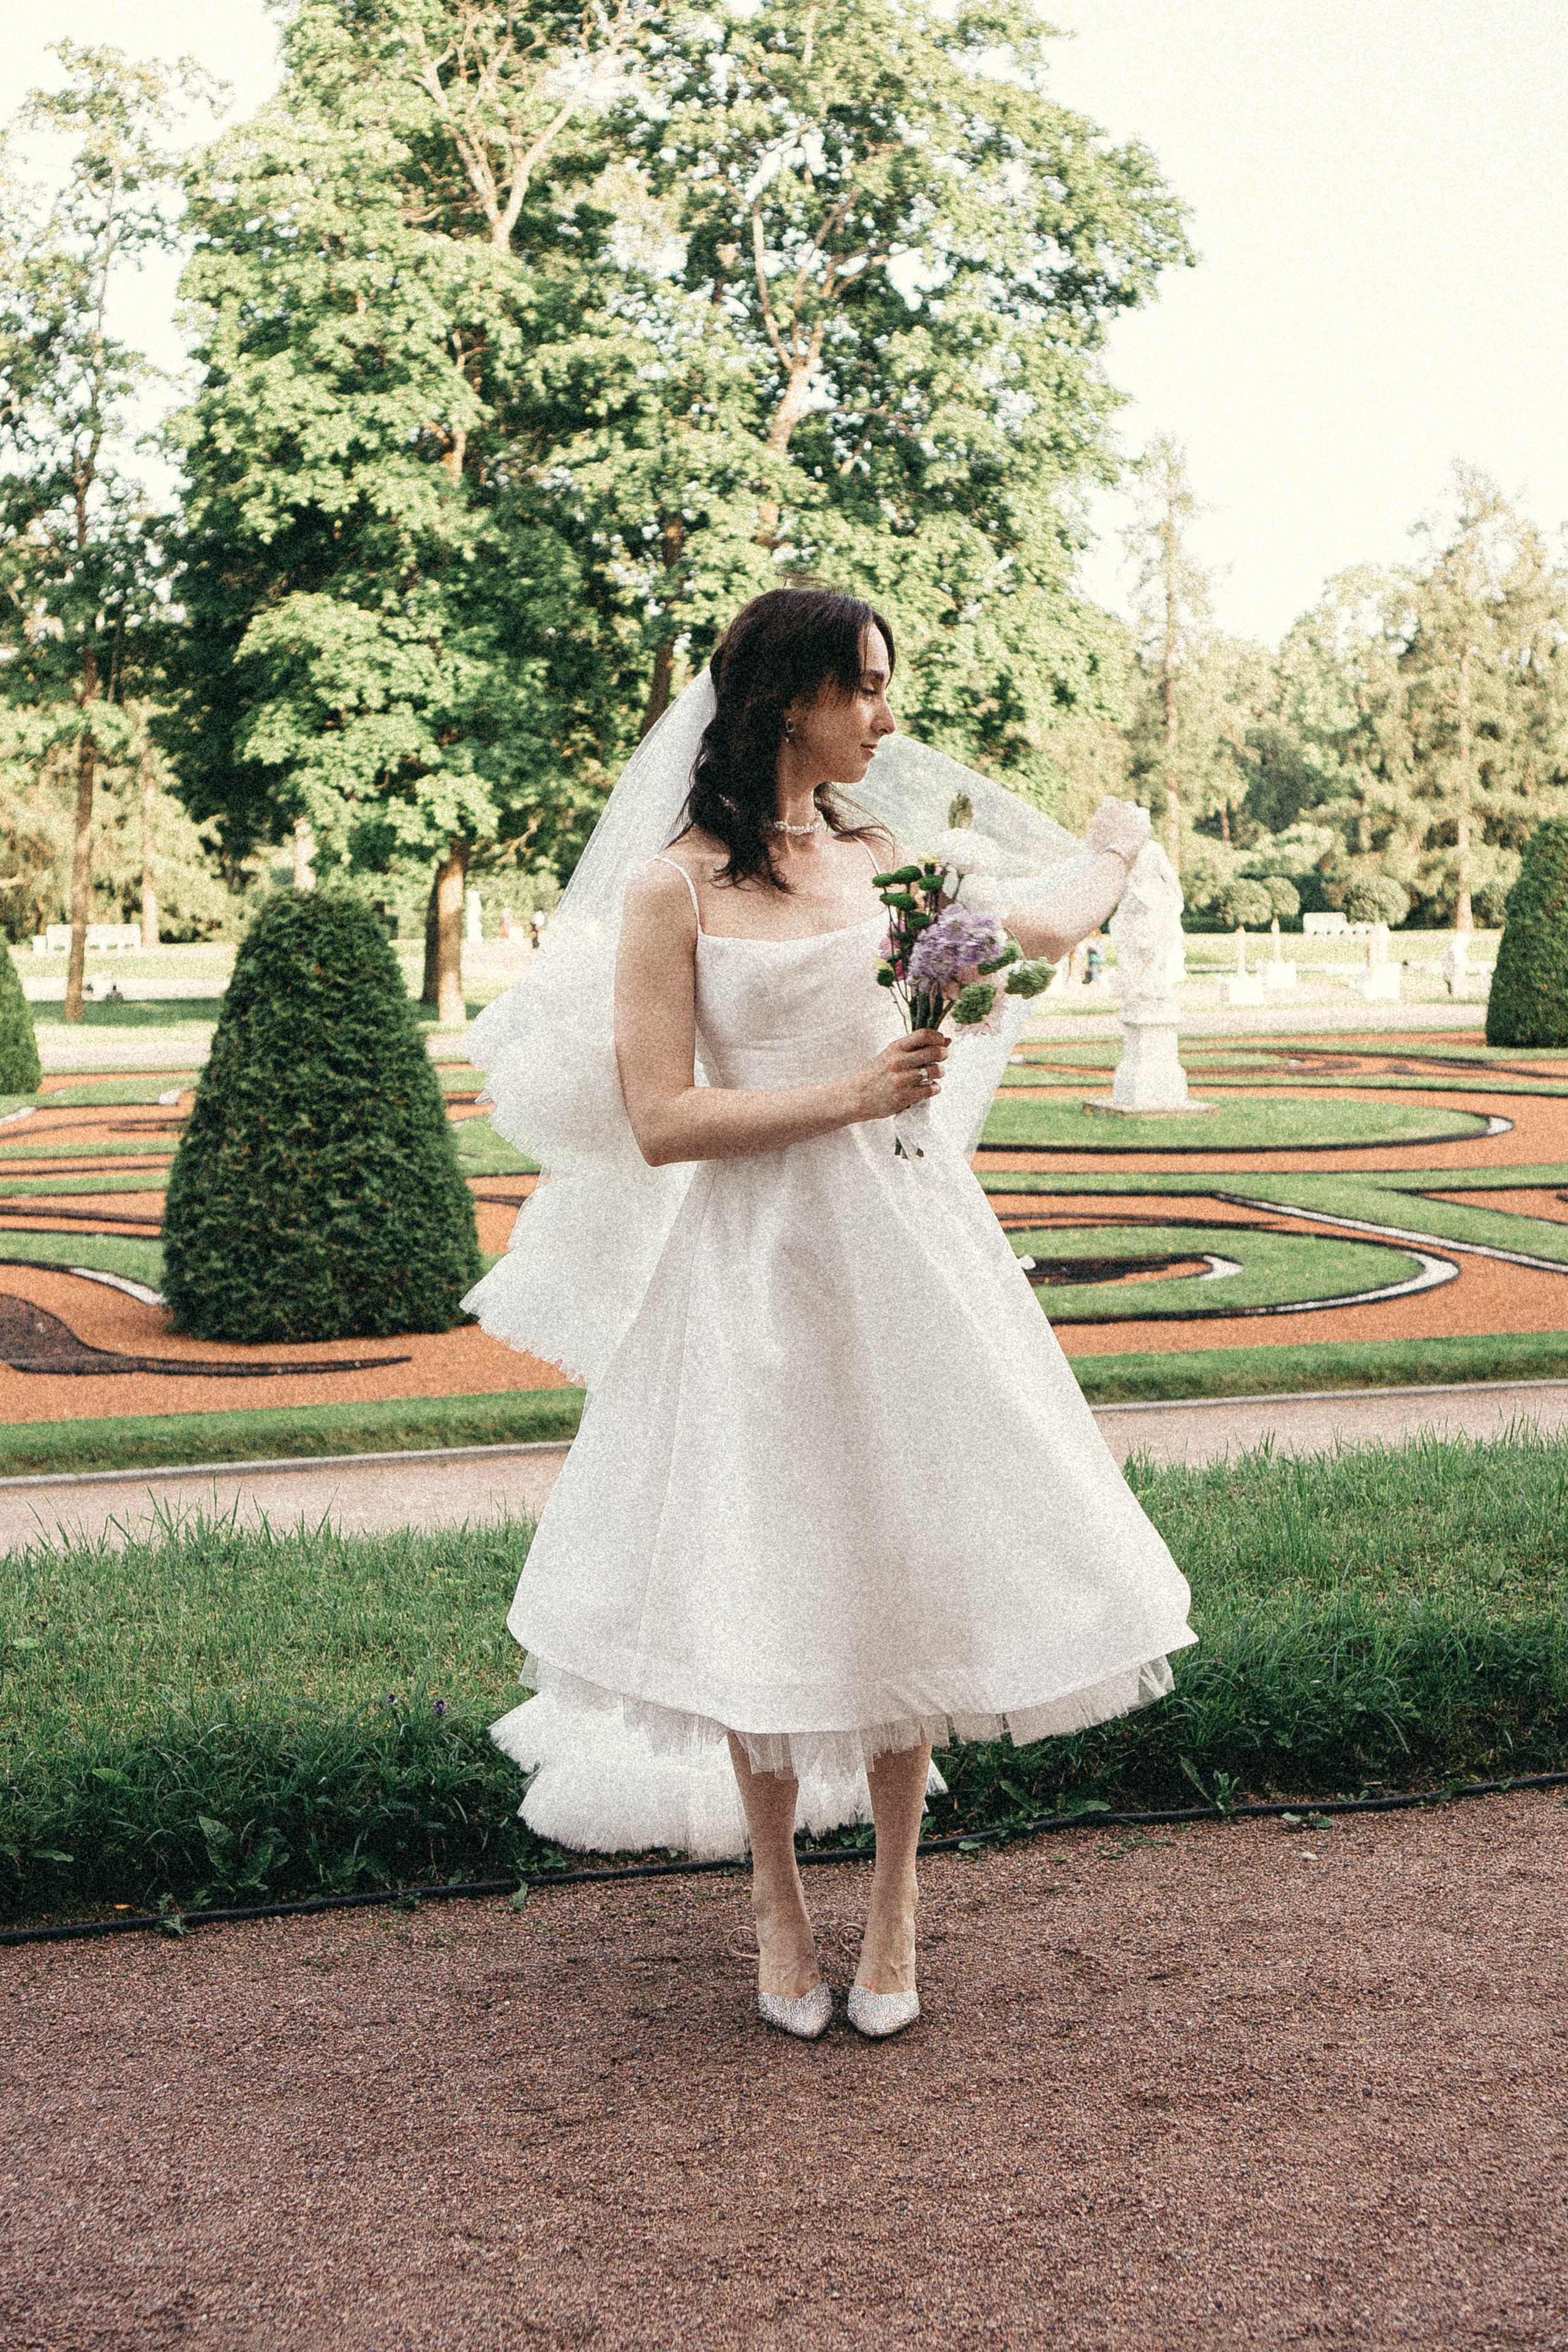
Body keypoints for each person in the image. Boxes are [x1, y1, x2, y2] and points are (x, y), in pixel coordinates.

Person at [466, 589, 1194, 2042]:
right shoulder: (672, 890)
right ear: (783, 698)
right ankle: (778, 1901)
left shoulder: (887, 863)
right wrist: (853, 1092)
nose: (883, 715)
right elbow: (661, 1118)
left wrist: (1114, 850)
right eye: (860, 686)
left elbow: (1034, 932)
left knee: (901, 1551)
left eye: (881, 685)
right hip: (753, 1269)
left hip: (910, 1251)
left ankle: (900, 1902)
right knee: (767, 1562)